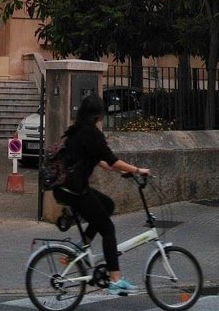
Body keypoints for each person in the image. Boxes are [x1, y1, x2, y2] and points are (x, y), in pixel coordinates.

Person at [51, 92, 150, 295]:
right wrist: (137, 170)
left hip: (66, 189)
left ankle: (83, 245)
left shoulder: (77, 130)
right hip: (75, 191)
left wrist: (122, 171)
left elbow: (101, 161)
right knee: (108, 229)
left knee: (107, 205)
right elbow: (111, 159)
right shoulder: (91, 133)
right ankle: (115, 279)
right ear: (98, 114)